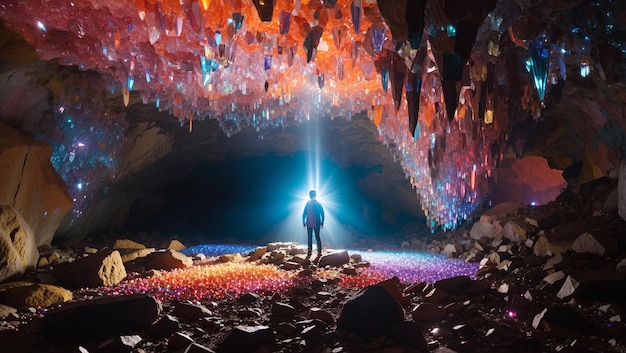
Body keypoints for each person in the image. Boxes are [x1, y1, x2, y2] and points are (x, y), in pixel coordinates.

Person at [302, 189, 325, 260]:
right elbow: (304, 213)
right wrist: (304, 222)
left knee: (313, 237)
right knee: (314, 237)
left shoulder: (315, 203)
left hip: (313, 222)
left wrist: (322, 222)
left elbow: (304, 213)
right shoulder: (314, 203)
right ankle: (314, 251)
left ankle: (316, 251)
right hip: (312, 223)